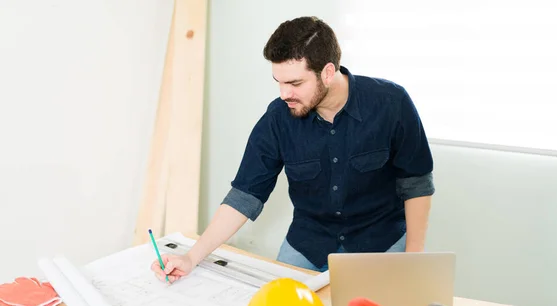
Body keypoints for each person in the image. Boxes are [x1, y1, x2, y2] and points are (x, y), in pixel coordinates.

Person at [151, 16, 434, 282]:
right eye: (279, 83)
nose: (284, 94)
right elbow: (245, 195)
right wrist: (190, 257)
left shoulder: (391, 103)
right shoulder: (278, 117)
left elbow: (417, 183)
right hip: (309, 243)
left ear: (327, 72)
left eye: (295, 83)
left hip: (379, 242)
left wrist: (414, 255)